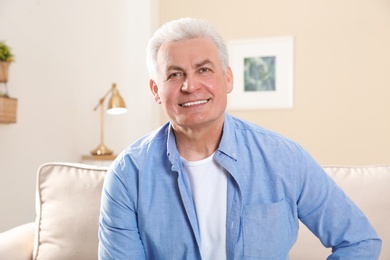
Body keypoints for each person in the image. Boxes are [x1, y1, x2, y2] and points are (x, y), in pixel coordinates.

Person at [98, 17, 381, 259]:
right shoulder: (127, 175)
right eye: (175, 74)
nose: (190, 85)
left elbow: (358, 241)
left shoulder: (284, 158)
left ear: (228, 79)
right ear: (155, 90)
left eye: (204, 70)